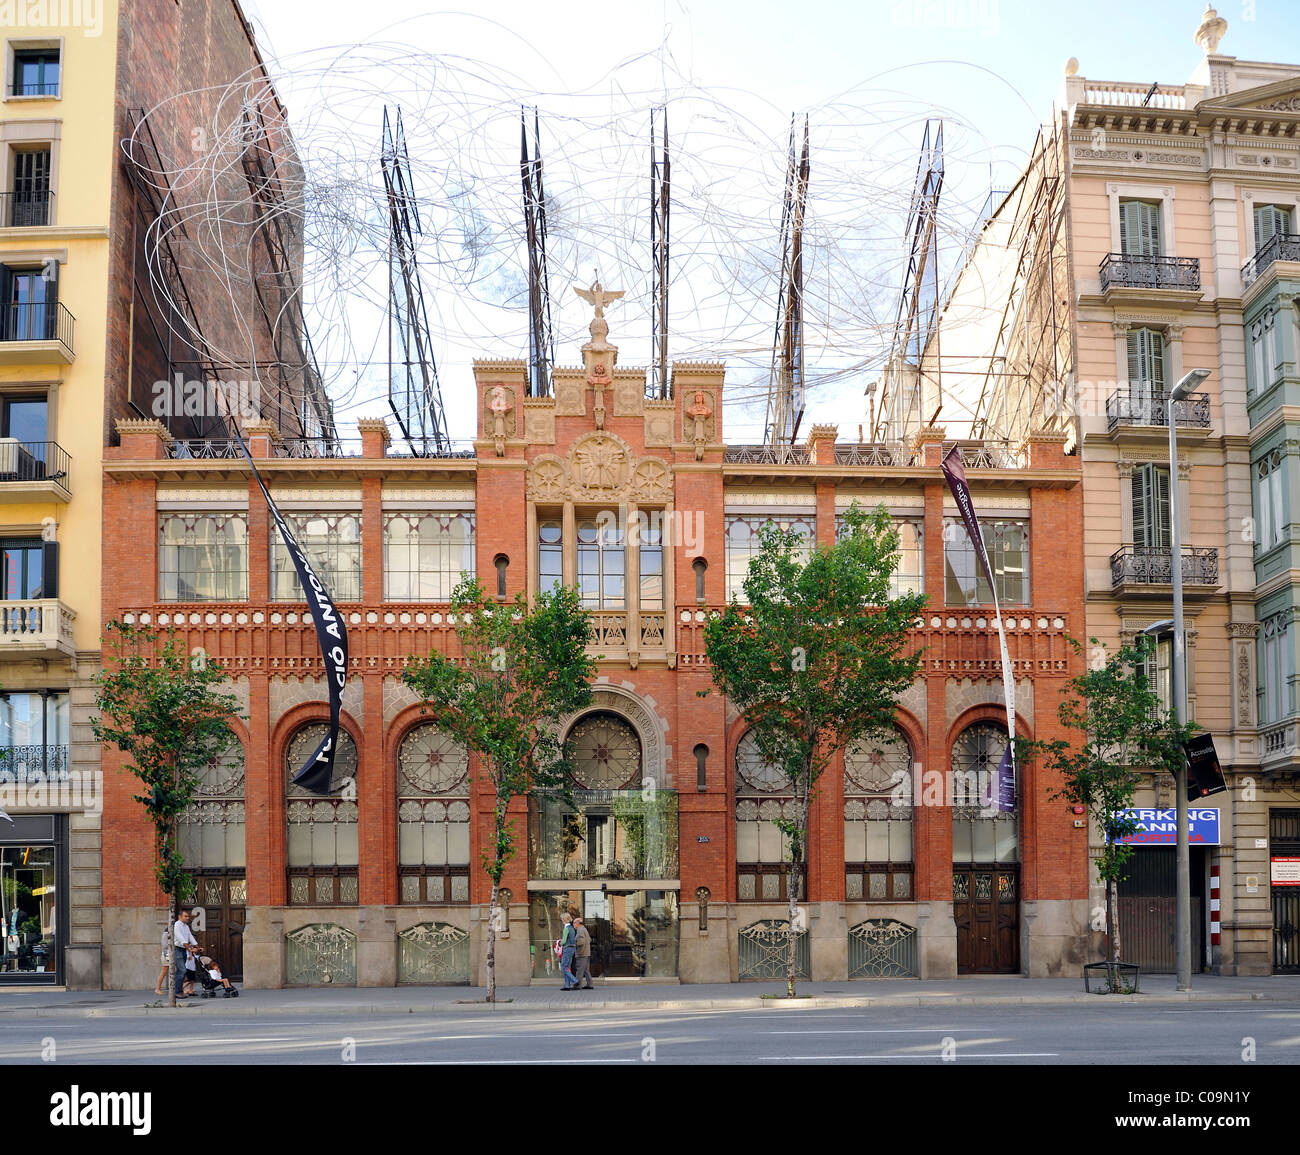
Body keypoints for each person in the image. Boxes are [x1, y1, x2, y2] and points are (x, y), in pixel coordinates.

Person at [172, 907, 200, 999]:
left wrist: (196, 946)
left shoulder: (186, 926)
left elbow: (190, 937)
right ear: (179, 917)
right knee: (182, 970)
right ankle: (177, 992)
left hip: (183, 949)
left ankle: (177, 991)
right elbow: (181, 938)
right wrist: (189, 948)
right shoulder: (176, 925)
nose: (188, 918)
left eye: (188, 916)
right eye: (185, 916)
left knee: (181, 971)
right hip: (177, 949)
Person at [558, 910, 578, 990]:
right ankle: (567, 985)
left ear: (564, 919)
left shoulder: (566, 928)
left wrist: (559, 943)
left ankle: (574, 980)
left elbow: (564, 941)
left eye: (562, 919)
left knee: (563, 967)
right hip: (572, 948)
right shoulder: (572, 928)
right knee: (568, 967)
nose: (561, 921)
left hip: (567, 948)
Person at [572, 916, 593, 989]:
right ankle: (590, 984)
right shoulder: (584, 929)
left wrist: (574, 943)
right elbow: (589, 939)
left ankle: (578, 985)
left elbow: (581, 941)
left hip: (581, 953)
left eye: (574, 923)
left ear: (578, 923)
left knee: (579, 970)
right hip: (586, 952)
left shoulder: (580, 930)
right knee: (586, 970)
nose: (573, 924)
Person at [154, 926, 170, 997]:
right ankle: (157, 989)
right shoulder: (166, 934)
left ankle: (158, 989)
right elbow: (165, 946)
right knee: (163, 972)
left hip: (167, 955)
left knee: (164, 972)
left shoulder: (166, 934)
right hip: (167, 955)